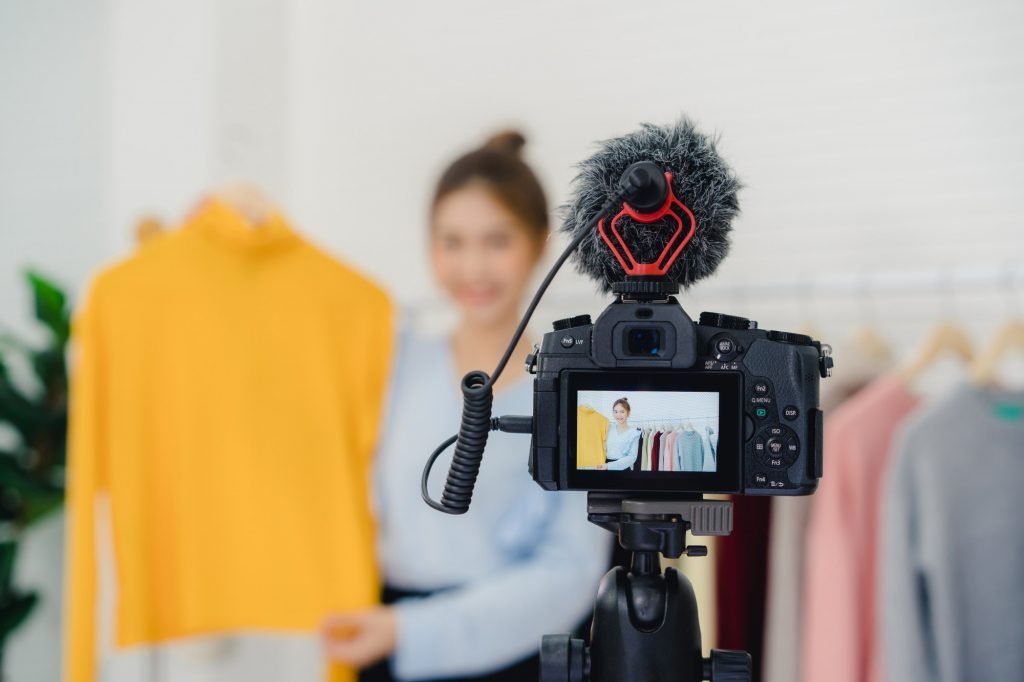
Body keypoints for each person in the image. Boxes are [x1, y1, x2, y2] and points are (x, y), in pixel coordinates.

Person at [321, 131, 609, 682]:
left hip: (516, 654)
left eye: (496, 241)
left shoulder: (578, 392)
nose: (473, 268)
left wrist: (413, 630)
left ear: (540, 243)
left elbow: (572, 571)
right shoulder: (391, 362)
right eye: (452, 242)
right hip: (383, 642)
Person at [598, 397, 642, 471]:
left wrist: (609, 466)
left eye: (622, 412)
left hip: (623, 469)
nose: (618, 415)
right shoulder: (608, 428)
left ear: (628, 413)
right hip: (604, 467)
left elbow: (632, 457)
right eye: (615, 412)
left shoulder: (634, 433)